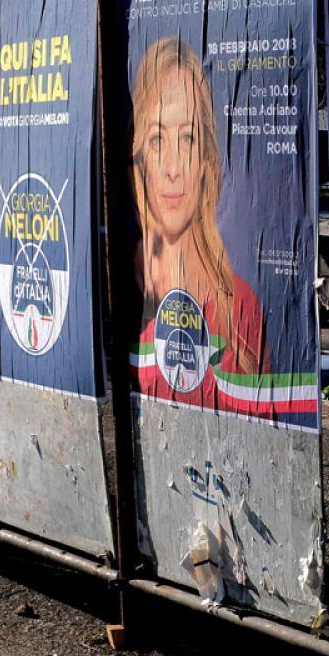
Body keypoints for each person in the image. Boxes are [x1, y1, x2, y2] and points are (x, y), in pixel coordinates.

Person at [130, 36, 267, 409]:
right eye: (157, 140)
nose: (173, 168)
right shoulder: (121, 289)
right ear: (139, 157)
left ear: (207, 160)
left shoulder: (240, 308)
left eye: (188, 138)